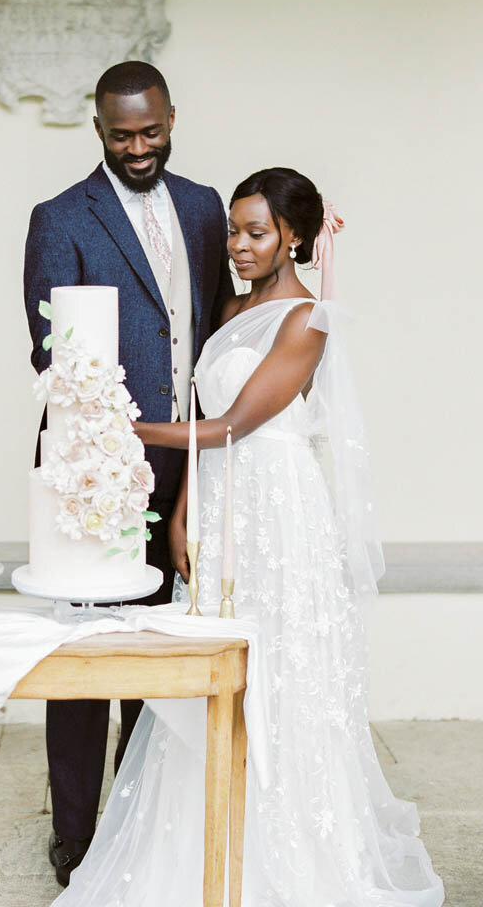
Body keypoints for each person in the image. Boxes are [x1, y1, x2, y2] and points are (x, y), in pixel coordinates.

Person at [52, 168, 444, 906]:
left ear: (292, 237)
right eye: (233, 230)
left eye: (256, 232)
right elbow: (213, 425)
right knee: (214, 667)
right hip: (227, 498)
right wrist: (182, 511)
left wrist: (120, 425)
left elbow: (234, 425)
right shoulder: (234, 305)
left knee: (276, 669)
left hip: (280, 510)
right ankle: (199, 832)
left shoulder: (307, 319)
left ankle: (284, 846)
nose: (236, 245)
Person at [23, 61, 232, 886]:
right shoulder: (59, 217)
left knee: (156, 645)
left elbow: (224, 316)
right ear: (98, 126)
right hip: (97, 471)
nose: (138, 147)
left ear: (172, 117)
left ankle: (137, 828)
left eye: (151, 131)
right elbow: (54, 356)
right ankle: (76, 840)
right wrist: (111, 452)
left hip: (190, 457)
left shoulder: (206, 207)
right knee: (86, 655)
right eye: (121, 134)